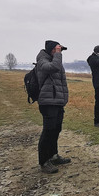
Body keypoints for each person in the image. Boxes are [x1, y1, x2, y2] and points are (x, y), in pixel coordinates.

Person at [36, 40, 71, 174]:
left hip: (57, 101)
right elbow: (53, 68)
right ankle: (44, 162)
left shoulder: (53, 60)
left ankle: (53, 156)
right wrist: (57, 54)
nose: (60, 52)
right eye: (57, 50)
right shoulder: (42, 60)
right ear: (52, 50)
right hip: (47, 102)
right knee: (48, 131)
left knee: (56, 129)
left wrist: (63, 99)